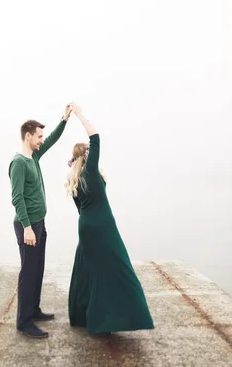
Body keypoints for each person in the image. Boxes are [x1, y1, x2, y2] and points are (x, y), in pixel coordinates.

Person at [65, 103, 155, 335]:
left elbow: (80, 210)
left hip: (85, 227)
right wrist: (79, 114)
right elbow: (95, 136)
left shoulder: (74, 181)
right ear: (86, 155)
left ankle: (82, 315)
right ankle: (111, 320)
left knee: (88, 270)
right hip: (104, 226)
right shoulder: (91, 171)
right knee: (118, 269)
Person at [9, 104, 73, 339]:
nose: (41, 140)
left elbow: (53, 139)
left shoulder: (34, 156)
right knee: (28, 272)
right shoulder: (19, 163)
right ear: (28, 136)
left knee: (37, 269)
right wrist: (27, 227)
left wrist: (64, 120)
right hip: (27, 226)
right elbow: (17, 198)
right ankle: (24, 322)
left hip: (39, 223)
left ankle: (34, 310)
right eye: (38, 137)